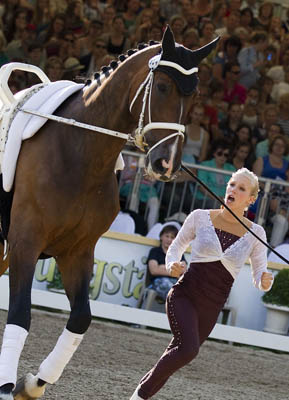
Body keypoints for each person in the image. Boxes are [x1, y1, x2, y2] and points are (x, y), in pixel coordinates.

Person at [130, 168, 274, 400]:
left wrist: (266, 280)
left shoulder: (256, 233)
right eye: (231, 184)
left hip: (211, 308)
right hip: (184, 295)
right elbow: (176, 247)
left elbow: (260, 275)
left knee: (177, 355)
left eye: (241, 188)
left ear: (251, 199)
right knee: (188, 350)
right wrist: (172, 264)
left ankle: (137, 396)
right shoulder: (200, 216)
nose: (233, 190)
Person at [146, 224, 186, 302]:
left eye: (172, 237)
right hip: (157, 282)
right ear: (161, 237)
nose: (169, 240)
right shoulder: (155, 251)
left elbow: (183, 270)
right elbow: (154, 270)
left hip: (175, 282)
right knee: (170, 288)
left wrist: (162, 267)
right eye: (167, 236)